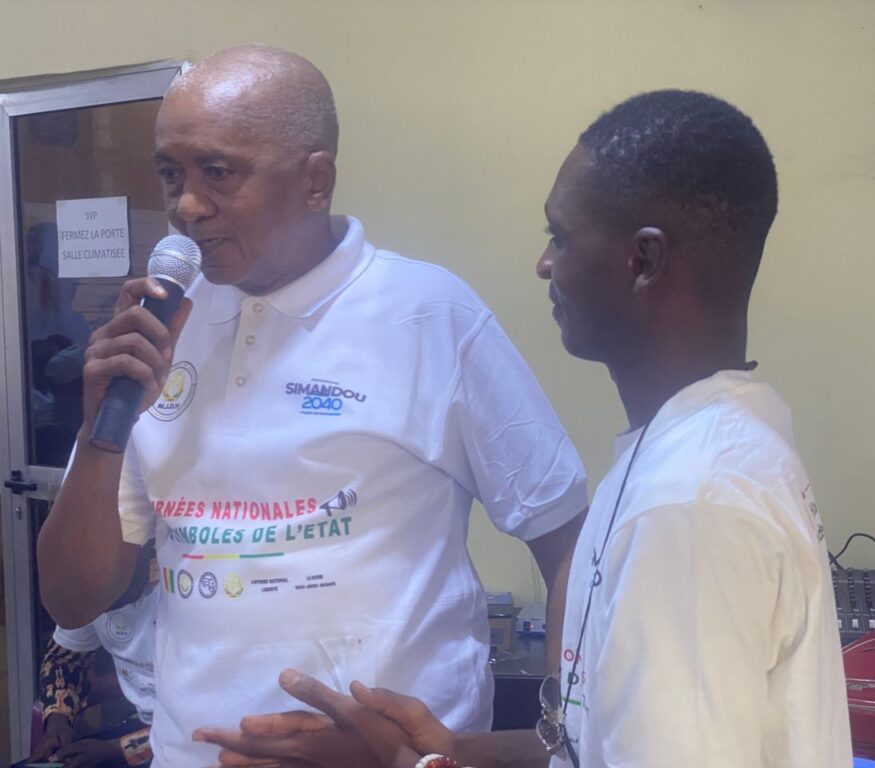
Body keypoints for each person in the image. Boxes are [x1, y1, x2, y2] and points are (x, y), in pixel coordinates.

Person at [197, 90, 852, 767]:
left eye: (560, 237)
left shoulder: (688, 503)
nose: (544, 263)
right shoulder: (711, 442)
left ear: (643, 261)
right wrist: (455, 751)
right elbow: (602, 746)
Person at [36, 45, 588, 767]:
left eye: (218, 172)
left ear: (315, 181)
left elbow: (566, 542)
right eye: (171, 174)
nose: (187, 205)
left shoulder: (431, 316)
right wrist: (99, 433)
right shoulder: (161, 329)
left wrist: (562, 738)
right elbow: (74, 600)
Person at [29, 543, 158, 768]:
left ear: (145, 556)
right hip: (139, 725)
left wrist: (118, 749)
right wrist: (58, 721)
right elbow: (64, 659)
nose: (96, 605)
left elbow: (210, 720)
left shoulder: (186, 600)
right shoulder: (90, 589)